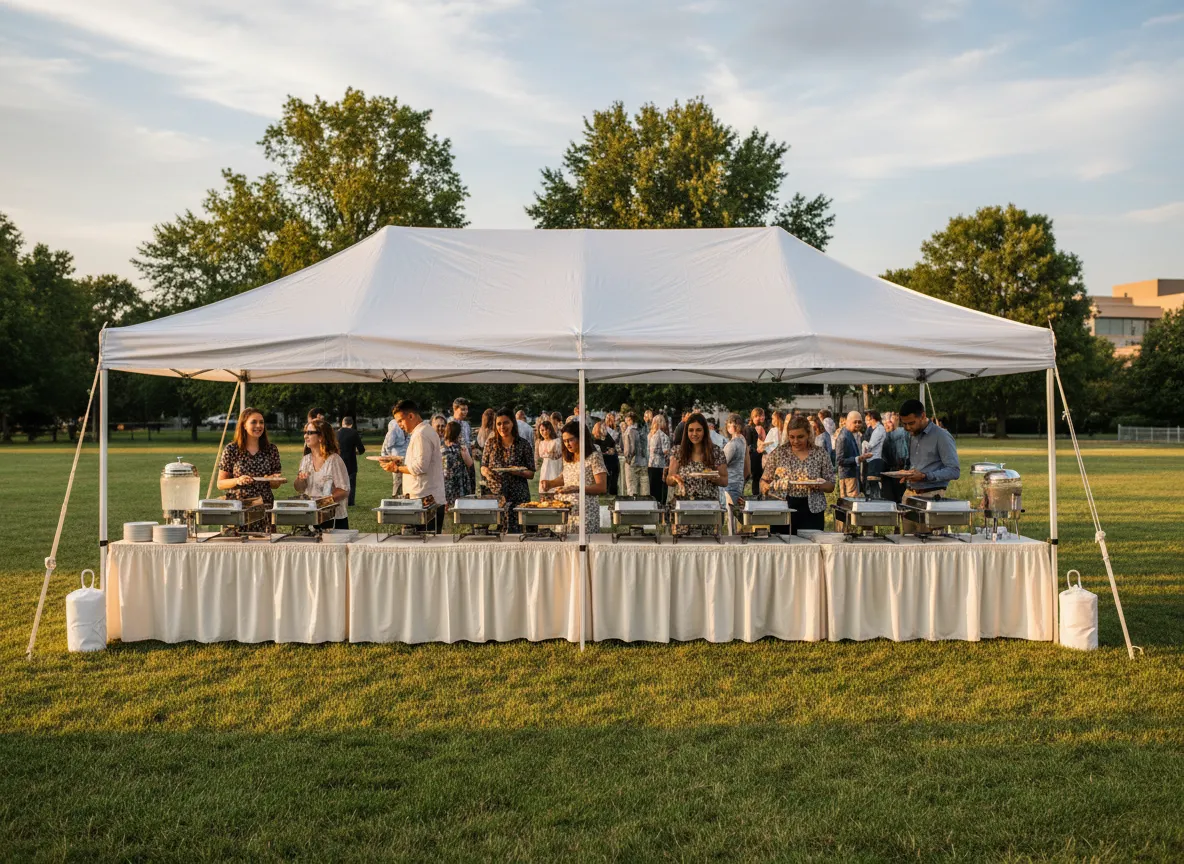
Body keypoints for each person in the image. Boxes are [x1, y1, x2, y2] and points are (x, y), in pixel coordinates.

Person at [380, 400, 447, 532]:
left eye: (400, 421)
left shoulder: (421, 434)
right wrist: (401, 463)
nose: (399, 425)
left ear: (411, 416)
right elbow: (420, 462)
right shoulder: (421, 432)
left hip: (426, 502)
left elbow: (420, 467)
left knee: (423, 548)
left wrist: (395, 468)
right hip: (425, 500)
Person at [761, 415, 835, 534]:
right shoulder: (779, 453)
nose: (795, 441)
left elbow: (831, 485)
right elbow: (764, 480)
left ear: (808, 435)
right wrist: (765, 487)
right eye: (792, 437)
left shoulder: (820, 454)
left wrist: (817, 484)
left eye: (800, 437)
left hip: (812, 509)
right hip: (783, 506)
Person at [541, 421, 608, 533]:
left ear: (581, 438)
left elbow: (601, 487)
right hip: (566, 510)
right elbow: (565, 478)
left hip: (585, 510)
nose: (567, 444)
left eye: (570, 440)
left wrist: (577, 488)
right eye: (565, 441)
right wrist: (550, 483)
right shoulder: (568, 457)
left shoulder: (594, 457)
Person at [216, 408, 286, 507]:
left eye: (261, 422)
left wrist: (273, 480)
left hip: (264, 506)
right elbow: (220, 484)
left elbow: (275, 485)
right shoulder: (231, 449)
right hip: (238, 506)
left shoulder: (271, 449)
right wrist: (238, 480)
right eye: (254, 422)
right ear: (244, 425)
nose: (258, 426)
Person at [481, 407, 536, 531]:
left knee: (517, 531)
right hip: (495, 494)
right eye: (499, 424)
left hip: (518, 495)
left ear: (513, 423)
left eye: (506, 422)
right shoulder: (490, 443)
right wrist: (487, 472)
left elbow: (531, 473)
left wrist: (516, 471)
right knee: (494, 532)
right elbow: (483, 466)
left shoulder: (523, 444)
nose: (502, 427)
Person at [295, 418, 351, 529]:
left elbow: (344, 491)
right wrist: (301, 480)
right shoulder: (306, 460)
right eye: (305, 432)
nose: (305, 436)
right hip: (312, 517)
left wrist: (320, 504)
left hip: (334, 519)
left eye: (310, 433)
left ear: (321, 437)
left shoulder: (334, 460)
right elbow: (299, 488)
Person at [896, 399, 960, 496]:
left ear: (923, 416)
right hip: (910, 492)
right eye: (904, 424)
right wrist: (906, 473)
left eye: (911, 423)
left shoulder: (941, 435)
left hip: (932, 493)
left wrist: (924, 476)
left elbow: (954, 471)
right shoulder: (910, 435)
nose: (908, 428)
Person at [667, 412, 728, 500]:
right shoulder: (678, 451)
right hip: (684, 504)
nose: (694, 434)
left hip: (709, 504)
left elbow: (725, 481)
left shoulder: (716, 451)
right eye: (691, 430)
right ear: (686, 432)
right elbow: (669, 480)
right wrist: (676, 479)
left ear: (705, 431)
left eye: (698, 430)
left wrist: (714, 478)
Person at [441, 420, 473, 507]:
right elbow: (469, 463)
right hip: (460, 481)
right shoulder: (461, 448)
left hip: (446, 482)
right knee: (461, 506)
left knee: (449, 506)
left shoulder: (441, 448)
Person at [335, 416, 366, 506]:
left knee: (338, 482)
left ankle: (338, 499)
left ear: (342, 423)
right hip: (350, 461)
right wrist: (356, 452)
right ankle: (350, 502)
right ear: (351, 424)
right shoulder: (354, 433)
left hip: (338, 461)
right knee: (351, 483)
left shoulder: (336, 433)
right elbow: (361, 449)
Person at [882, 412, 911, 503]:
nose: (889, 423)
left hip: (900, 470)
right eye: (887, 422)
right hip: (888, 471)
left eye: (891, 421)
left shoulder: (903, 433)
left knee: (899, 497)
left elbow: (907, 451)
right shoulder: (883, 434)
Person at [381, 403, 410, 496]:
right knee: (398, 480)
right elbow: (387, 444)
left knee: (406, 479)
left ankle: (404, 496)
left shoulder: (408, 424)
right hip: (397, 457)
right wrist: (390, 457)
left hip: (406, 456)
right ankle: (396, 496)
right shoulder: (394, 427)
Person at [835, 410, 864, 499]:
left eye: (859, 422)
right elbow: (840, 460)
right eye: (855, 422)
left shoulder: (850, 434)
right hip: (847, 477)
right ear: (847, 422)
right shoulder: (843, 437)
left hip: (852, 475)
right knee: (850, 505)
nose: (858, 424)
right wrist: (857, 459)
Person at [723, 413, 749, 504]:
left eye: (729, 424)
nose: (728, 427)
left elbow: (722, 463)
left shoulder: (733, 444)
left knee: (729, 514)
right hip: (738, 481)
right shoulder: (742, 439)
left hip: (730, 483)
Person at [646, 415, 672, 506]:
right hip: (661, 466)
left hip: (651, 464)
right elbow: (666, 452)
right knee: (661, 492)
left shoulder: (649, 435)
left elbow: (648, 450)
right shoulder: (663, 435)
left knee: (653, 491)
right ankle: (662, 510)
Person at [452, 397, 475, 492]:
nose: (465, 412)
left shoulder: (466, 425)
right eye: (462, 409)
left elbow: (469, 441)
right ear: (455, 409)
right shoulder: (449, 423)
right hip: (454, 461)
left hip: (467, 460)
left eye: (466, 409)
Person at [861, 410, 886, 497]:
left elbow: (870, 445)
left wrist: (864, 443)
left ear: (873, 419)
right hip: (872, 459)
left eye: (868, 419)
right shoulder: (875, 429)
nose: (867, 422)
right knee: (871, 483)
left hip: (875, 459)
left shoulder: (879, 430)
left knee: (873, 482)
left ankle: (877, 499)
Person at [619, 412, 644, 496]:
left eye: (628, 419)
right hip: (638, 458)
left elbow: (631, 446)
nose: (626, 421)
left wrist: (628, 458)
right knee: (634, 480)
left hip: (631, 458)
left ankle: (632, 497)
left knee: (630, 480)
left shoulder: (630, 430)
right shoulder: (637, 430)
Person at [744, 408, 768, 496]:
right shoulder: (748, 428)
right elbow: (748, 445)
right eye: (758, 416)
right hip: (751, 456)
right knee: (747, 477)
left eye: (762, 415)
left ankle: (756, 496)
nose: (761, 418)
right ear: (753, 417)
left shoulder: (759, 428)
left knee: (757, 477)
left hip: (757, 456)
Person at [535, 419, 564, 487]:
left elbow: (559, 456)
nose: (544, 432)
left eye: (546, 429)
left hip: (555, 467)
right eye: (542, 430)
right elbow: (540, 457)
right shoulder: (541, 443)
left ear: (550, 430)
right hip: (544, 468)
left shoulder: (556, 442)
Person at [598, 415, 620, 496]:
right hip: (608, 457)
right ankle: (608, 491)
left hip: (612, 456)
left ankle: (611, 491)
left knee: (613, 476)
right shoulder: (607, 432)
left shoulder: (614, 431)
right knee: (609, 476)